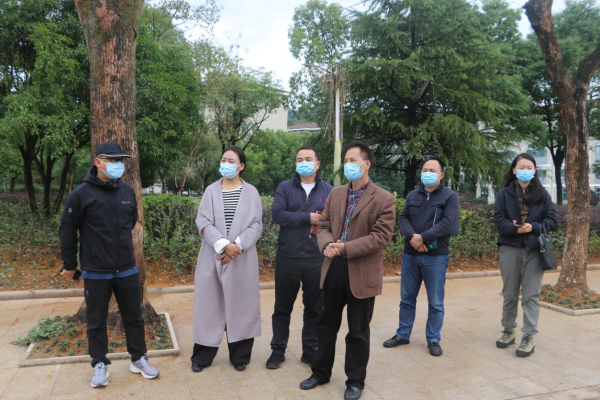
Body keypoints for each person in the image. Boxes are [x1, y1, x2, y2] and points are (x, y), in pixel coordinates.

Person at [299, 141, 396, 400]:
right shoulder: (337, 193)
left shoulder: (384, 198)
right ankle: (320, 372)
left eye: (353, 160)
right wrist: (327, 245)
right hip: (333, 267)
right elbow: (324, 225)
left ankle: (355, 381)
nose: (348, 164)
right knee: (325, 325)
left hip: (361, 271)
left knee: (358, 330)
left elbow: (381, 237)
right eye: (346, 160)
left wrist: (345, 247)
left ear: (367, 164)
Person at [59, 141, 159, 388]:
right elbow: (67, 230)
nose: (117, 165)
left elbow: (131, 221)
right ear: (98, 162)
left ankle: (138, 358)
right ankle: (99, 364)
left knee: (134, 317)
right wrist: (70, 264)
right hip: (96, 271)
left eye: (120, 160)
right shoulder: (80, 195)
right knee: (96, 321)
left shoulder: (126, 192)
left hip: (126, 267)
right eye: (112, 160)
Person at [191, 145, 263, 373]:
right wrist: (223, 245)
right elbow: (203, 221)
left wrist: (237, 246)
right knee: (209, 307)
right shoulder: (211, 191)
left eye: (231, 161)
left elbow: (256, 224)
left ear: (241, 166)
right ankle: (201, 357)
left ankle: (240, 357)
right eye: (223, 160)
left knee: (242, 307)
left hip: (242, 259)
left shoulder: (251, 192)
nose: (226, 164)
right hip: (213, 256)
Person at [383, 157, 459, 357]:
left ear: (441, 175)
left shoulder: (450, 196)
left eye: (432, 170)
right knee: (407, 299)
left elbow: (447, 223)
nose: (427, 173)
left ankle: (433, 339)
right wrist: (412, 238)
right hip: (410, 255)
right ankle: (403, 334)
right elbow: (403, 217)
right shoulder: (413, 195)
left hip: (435, 257)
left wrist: (422, 238)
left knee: (436, 302)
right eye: (425, 169)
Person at [267, 146, 333, 369]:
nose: (303, 162)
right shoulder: (285, 187)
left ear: (317, 164)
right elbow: (277, 214)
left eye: (308, 159)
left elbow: (334, 221)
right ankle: (278, 350)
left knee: (314, 308)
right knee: (282, 307)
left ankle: (310, 350)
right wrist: (308, 218)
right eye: (299, 159)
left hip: (316, 258)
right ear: (295, 164)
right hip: (288, 257)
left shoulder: (330, 190)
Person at [493, 153, 557, 357]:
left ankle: (529, 335)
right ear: (514, 170)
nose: (525, 170)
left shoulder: (543, 195)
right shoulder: (504, 194)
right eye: (521, 167)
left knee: (531, 295)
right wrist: (515, 229)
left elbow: (552, 221)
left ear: (535, 170)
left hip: (534, 250)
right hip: (510, 247)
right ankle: (508, 330)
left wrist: (533, 227)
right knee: (510, 294)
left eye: (529, 167)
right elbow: (499, 220)